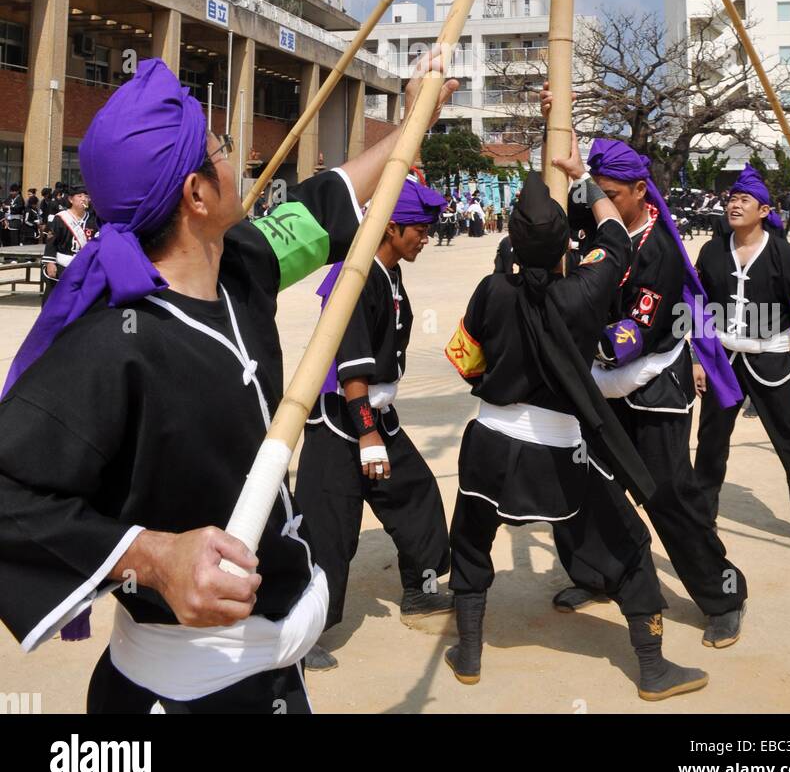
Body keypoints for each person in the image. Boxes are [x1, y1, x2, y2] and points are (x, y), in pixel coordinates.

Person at [0, 54, 456, 714]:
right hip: (180, 694)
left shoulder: (239, 263)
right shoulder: (113, 343)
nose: (237, 158)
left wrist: (417, 117)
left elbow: (335, 196)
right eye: (220, 149)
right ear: (195, 195)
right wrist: (153, 557)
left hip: (270, 673)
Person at [444, 158, 708, 702]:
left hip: (487, 441)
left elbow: (464, 362)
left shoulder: (490, 290)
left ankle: (468, 651)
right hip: (558, 448)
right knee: (630, 544)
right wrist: (584, 177)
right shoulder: (587, 288)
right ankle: (653, 669)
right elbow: (613, 233)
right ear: (568, 242)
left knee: (471, 540)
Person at [541, 105, 748, 649]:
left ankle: (722, 595)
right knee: (585, 486)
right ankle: (598, 575)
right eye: (595, 190)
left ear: (637, 191)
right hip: (597, 383)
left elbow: (640, 329)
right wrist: (553, 120)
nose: (597, 201)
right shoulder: (595, 222)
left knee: (668, 495)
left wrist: (574, 345)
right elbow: (557, 206)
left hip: (651, 383)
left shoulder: (659, 250)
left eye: (608, 191)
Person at [296, 175, 453, 671]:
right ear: (389, 229)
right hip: (342, 418)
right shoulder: (356, 277)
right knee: (328, 531)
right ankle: (300, 636)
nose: (425, 238)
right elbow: (352, 369)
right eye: (418, 231)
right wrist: (367, 437)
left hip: (375, 413)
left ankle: (421, 589)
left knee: (417, 493)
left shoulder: (389, 270)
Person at [694, 165, 790, 556]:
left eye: (744, 201)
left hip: (771, 360)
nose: (734, 205)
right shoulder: (711, 251)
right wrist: (697, 358)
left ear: (764, 211)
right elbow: (697, 309)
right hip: (723, 361)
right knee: (710, 442)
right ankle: (702, 518)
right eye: (732, 199)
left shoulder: (786, 257)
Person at [41, 183, 96, 302]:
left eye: (86, 196)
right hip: (63, 265)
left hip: (85, 265)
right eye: (80, 196)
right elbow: (51, 242)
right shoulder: (61, 218)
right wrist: (50, 263)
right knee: (55, 298)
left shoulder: (93, 220)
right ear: (71, 199)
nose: (84, 199)